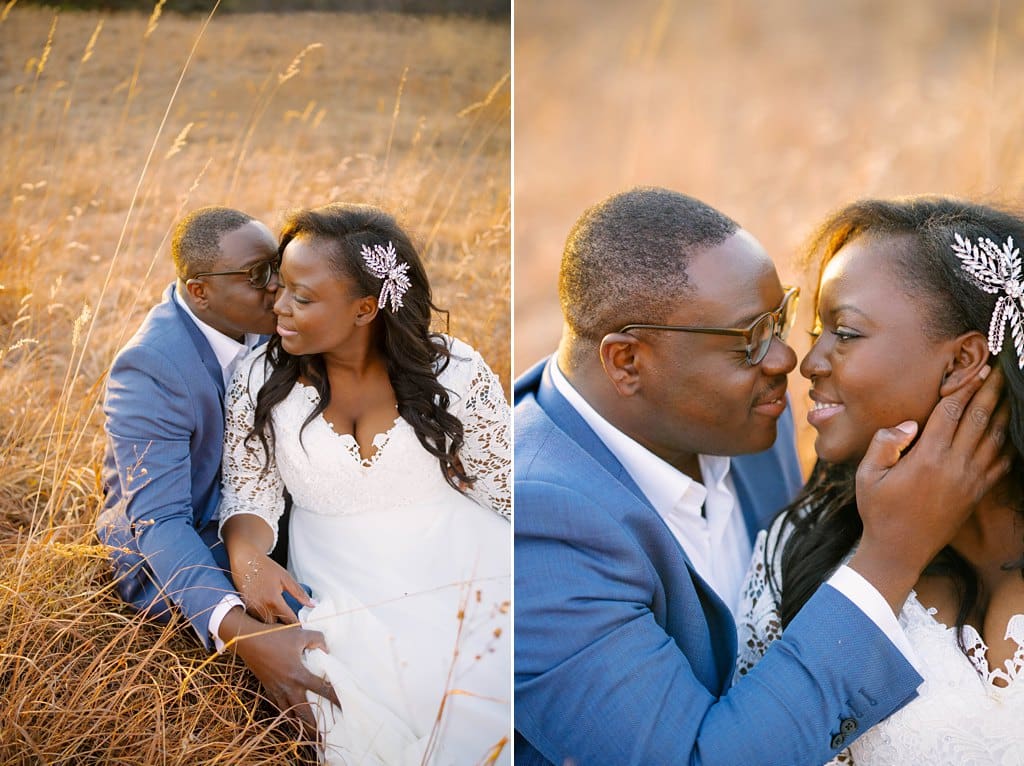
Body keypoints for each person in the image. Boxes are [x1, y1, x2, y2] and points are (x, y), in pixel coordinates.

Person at [514, 186, 1010, 765]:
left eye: (780, 320)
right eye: (748, 340)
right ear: (628, 361)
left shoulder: (743, 421)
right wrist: (890, 557)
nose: (786, 360)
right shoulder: (536, 526)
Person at [217, 202, 511, 765]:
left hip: (466, 571)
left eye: (302, 298)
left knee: (482, 710)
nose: (277, 306)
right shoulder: (260, 379)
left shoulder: (454, 372)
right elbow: (250, 493)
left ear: (364, 308)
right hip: (339, 591)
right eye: (281, 287)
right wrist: (246, 556)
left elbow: (504, 490)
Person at [735, 196, 1024, 764]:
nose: (807, 361)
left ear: (964, 360)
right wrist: (887, 554)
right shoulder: (798, 547)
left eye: (844, 332)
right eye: (817, 329)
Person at [97, 206, 336, 730]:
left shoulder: (264, 325)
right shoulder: (149, 368)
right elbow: (160, 523)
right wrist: (246, 637)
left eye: (276, 265)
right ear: (199, 290)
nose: (278, 287)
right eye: (257, 276)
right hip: (182, 545)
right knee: (324, 632)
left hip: (264, 512)